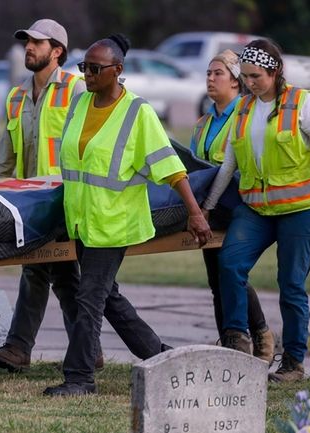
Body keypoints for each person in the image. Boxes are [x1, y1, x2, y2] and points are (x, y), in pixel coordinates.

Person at [44, 34, 212, 397]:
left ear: (118, 71)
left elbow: (170, 167)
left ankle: (80, 378)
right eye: (83, 67)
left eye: (94, 68)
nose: (86, 74)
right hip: (82, 220)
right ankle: (159, 356)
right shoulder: (79, 104)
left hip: (114, 224)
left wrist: (195, 213)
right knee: (108, 298)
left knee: (89, 298)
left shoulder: (138, 112)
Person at [202, 39, 310, 382]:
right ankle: (237, 341)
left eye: (256, 76)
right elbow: (229, 164)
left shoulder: (302, 103)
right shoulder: (244, 109)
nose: (249, 83)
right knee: (229, 263)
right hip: (257, 209)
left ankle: (293, 363)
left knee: (291, 284)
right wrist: (206, 206)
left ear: (275, 71)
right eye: (245, 76)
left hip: (301, 210)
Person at [0, 19, 91, 373]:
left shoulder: (77, 90)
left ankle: (19, 347)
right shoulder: (16, 95)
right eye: (27, 41)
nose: (29, 47)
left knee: (37, 270)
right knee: (59, 274)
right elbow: (5, 153)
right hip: (29, 203)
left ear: (56, 51)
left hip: (63, 198)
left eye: (37, 42)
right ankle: (86, 347)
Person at [189, 50, 274, 364]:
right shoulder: (202, 123)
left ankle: (257, 336)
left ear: (237, 82)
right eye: (208, 73)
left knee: (230, 272)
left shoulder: (249, 116)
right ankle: (231, 339)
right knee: (217, 278)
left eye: (218, 73)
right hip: (209, 208)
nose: (210, 79)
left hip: (240, 205)